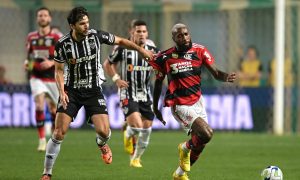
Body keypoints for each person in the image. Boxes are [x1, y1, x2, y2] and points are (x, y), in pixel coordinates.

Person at [40, 7, 153, 180]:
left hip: (93, 91)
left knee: (103, 132)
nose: (86, 26)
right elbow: (59, 71)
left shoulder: (96, 36)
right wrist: (61, 92)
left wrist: (142, 51)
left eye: (87, 22)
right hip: (72, 91)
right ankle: (47, 173)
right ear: (72, 26)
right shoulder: (63, 45)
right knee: (58, 132)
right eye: (82, 23)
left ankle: (101, 144)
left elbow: (121, 41)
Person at [149, 23, 236, 180]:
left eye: (186, 34)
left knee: (201, 142)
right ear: (174, 38)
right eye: (180, 36)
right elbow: (157, 83)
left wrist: (226, 77)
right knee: (207, 134)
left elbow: (215, 73)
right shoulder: (165, 58)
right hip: (180, 104)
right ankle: (185, 147)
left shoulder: (199, 50)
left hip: (198, 101)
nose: (184, 38)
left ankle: (180, 174)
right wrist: (155, 107)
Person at [103, 20, 159, 167]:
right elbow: (107, 64)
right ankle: (128, 133)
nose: (141, 34)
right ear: (132, 33)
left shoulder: (152, 47)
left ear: (147, 33)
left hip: (146, 93)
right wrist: (116, 79)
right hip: (127, 91)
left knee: (146, 130)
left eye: (144, 32)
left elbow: (159, 65)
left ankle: (136, 159)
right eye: (138, 31)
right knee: (137, 127)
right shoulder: (123, 47)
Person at [24, 7, 61, 152]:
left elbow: (64, 58)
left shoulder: (56, 38)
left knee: (54, 109)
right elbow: (29, 56)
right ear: (37, 18)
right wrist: (27, 63)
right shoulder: (31, 37)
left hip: (53, 78)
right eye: (40, 15)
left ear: (49, 19)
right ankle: (41, 140)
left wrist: (52, 63)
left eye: (45, 15)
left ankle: (52, 138)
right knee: (39, 105)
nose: (42, 18)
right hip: (36, 77)